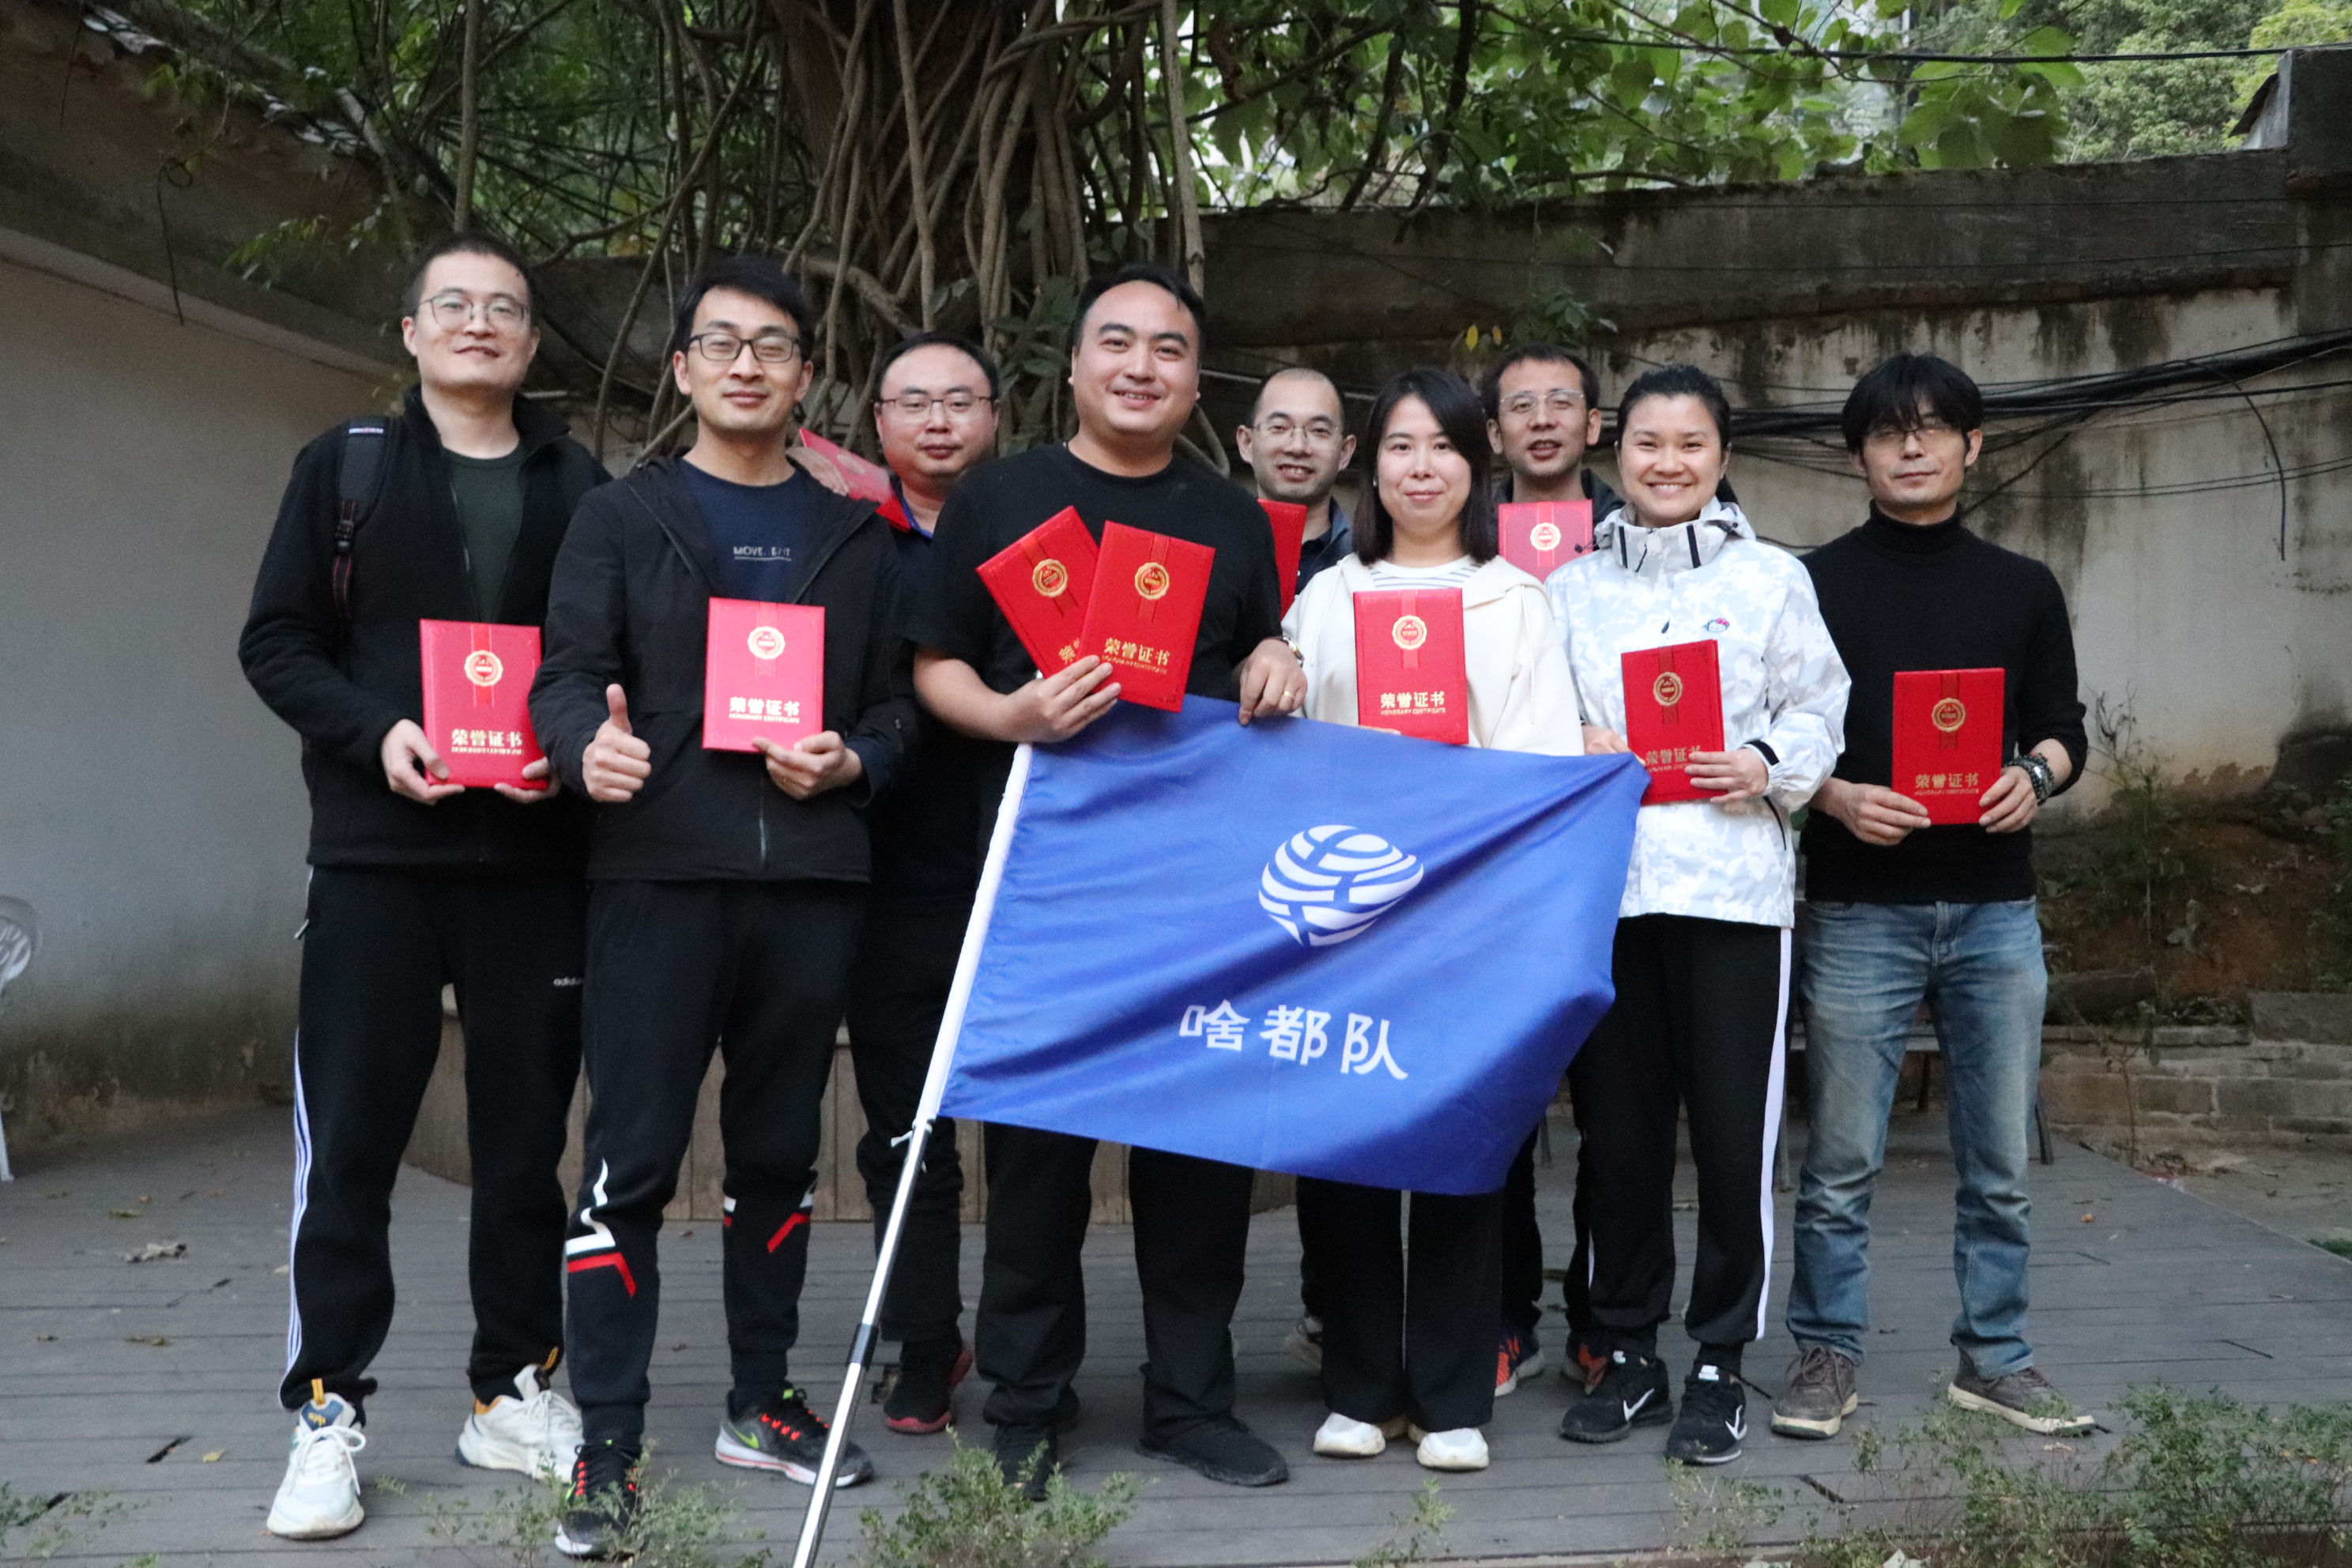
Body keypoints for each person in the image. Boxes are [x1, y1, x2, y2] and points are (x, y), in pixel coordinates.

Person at [530, 255, 916, 1557]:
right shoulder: (620, 517)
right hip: (657, 876)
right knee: (628, 1162)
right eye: (721, 343)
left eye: (772, 346)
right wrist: (586, 745)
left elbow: (899, 706)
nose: (746, 364)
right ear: (685, 367)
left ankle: (762, 1399)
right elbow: (564, 677)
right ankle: (608, 1436)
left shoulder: (857, 536)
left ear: (806, 375)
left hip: (809, 881)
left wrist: (854, 761)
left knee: (778, 1158)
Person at [908, 260, 1307, 1499]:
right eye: (1117, 343)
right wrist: (1012, 713)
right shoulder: (1001, 496)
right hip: (1047, 885)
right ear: (1075, 367)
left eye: (1169, 349)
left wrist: (1278, 654)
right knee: (1036, 1159)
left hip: (1196, 888)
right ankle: (1028, 1404)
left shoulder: (1232, 518)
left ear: (1195, 382)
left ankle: (1192, 1402)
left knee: (1199, 1155)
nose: (1142, 366)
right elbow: (933, 664)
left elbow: (1256, 648)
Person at [239, 232, 608, 1540]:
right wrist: (375, 733)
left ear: (531, 341)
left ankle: (512, 1388)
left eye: (505, 307)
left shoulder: (579, 483)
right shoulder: (345, 467)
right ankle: (326, 1408)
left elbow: (607, 654)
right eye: (453, 304)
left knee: (524, 1147)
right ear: (411, 331)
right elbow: (276, 641)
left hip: (533, 863)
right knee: (351, 1146)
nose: (478, 322)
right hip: (376, 861)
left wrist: (568, 743)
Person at [1773, 354, 2090, 1442]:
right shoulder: (1808, 585)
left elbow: (2064, 730)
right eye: (1887, 431)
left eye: (1933, 428)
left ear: (1973, 445)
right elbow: (1773, 732)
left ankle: (1995, 1359)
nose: (1911, 447)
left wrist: (2034, 775)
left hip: (1995, 908)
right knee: (1839, 1163)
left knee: (1998, 1164)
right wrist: (1834, 796)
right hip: (1860, 906)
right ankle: (1826, 1353)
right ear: (1856, 456)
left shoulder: (2023, 588)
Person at [1283, 367, 1584, 1473]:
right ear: (1370, 466)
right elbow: (1291, 754)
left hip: (1470, 917)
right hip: (1346, 918)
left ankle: (1454, 1393)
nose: (1422, 468)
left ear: (1477, 466)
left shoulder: (1519, 602)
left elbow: (1540, 766)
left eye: (1445, 447)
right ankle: (1360, 1384)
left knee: (1465, 1146)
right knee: (1347, 1145)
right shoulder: (1325, 599)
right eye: (1401, 447)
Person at [1548, 364, 1849, 1465]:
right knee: (1619, 1139)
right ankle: (1626, 1348)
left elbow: (1820, 707)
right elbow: (1529, 717)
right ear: (1613, 450)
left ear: (1723, 457)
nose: (1666, 462)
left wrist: (1764, 761)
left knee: (1732, 1139)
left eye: (1690, 444)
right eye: (1646, 442)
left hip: (1733, 897)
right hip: (1611, 897)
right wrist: (1569, 741)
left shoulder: (1772, 579)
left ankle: (1720, 1357)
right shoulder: (1569, 590)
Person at [844, 330, 1005, 1435]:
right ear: (879, 424)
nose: (938, 421)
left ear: (994, 417)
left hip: (1030, 865)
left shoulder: (1044, 534)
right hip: (890, 866)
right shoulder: (848, 541)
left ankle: (1034, 1346)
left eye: (960, 401)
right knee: (903, 1127)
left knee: (1035, 1134)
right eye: (914, 403)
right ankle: (925, 1338)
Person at [1481, 342, 1622, 1401]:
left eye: (1560, 403)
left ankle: (1601, 1317)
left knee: (1615, 1106)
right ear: (1493, 433)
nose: (1541, 420)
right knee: (1500, 1099)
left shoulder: (1646, 538)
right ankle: (1501, 1314)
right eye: (1520, 406)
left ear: (1593, 425)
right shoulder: (1454, 541)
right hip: (1492, 862)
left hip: (1615, 858)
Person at [1236, 366, 1359, 596]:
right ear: (1247, 443)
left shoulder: (1369, 560)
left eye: (1319, 431)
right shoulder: (1216, 549)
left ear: (1344, 452)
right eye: (1279, 428)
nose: (1297, 447)